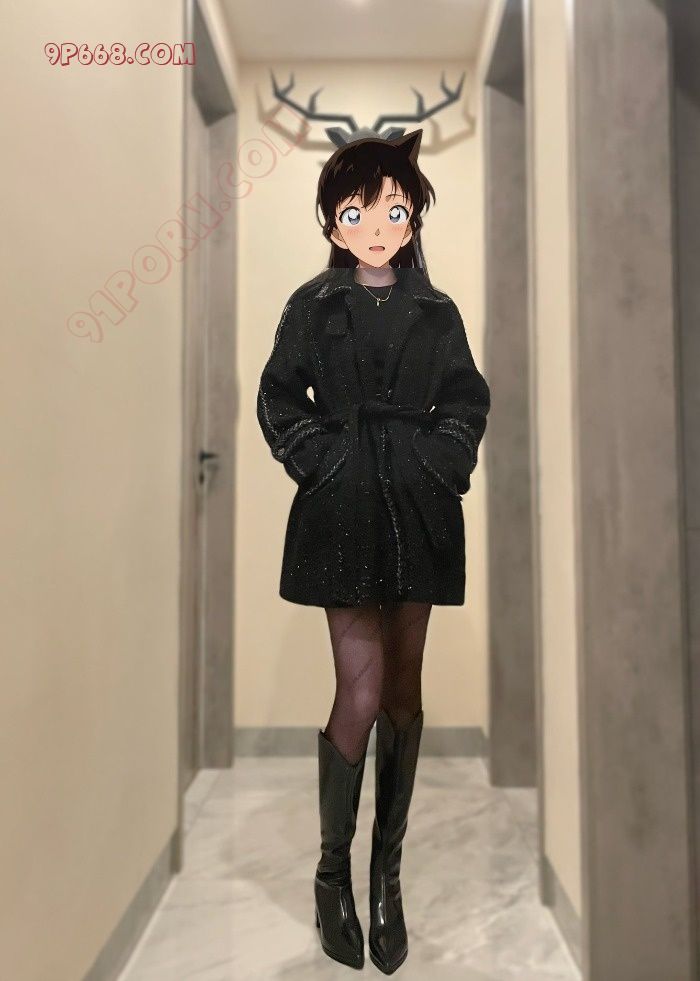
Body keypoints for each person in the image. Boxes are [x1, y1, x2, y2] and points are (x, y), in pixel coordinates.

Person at [256, 128, 490, 973]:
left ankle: (387, 875)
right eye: (356, 212)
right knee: (358, 685)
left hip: (419, 510)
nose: (377, 226)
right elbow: (279, 396)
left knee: (403, 687)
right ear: (332, 220)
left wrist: (439, 461)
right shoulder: (312, 305)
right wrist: (324, 460)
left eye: (393, 209)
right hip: (342, 508)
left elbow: (466, 399)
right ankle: (332, 875)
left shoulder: (437, 310)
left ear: (413, 214)